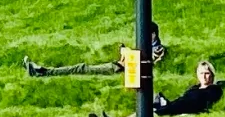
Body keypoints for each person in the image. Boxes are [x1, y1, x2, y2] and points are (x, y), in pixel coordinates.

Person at [89, 60, 225, 117]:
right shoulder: (194, 88)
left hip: (182, 110)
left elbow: (203, 106)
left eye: (207, 73)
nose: (204, 76)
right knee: (148, 106)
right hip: (175, 106)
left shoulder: (214, 90)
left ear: (212, 75)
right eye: (201, 73)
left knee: (150, 113)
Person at [26, 23, 167, 77]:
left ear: (153, 34)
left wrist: (127, 52)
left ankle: (43, 72)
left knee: (80, 68)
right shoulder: (148, 47)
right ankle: (44, 71)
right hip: (119, 67)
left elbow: (147, 63)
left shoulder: (157, 49)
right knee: (79, 68)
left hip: (116, 69)